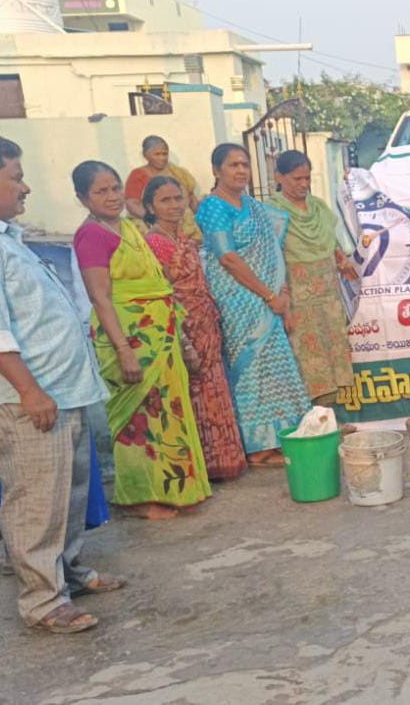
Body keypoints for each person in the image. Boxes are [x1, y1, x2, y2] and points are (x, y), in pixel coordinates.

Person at [0, 139, 123, 633]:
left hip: (63, 390)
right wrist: (29, 391)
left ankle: (68, 573)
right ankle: (43, 600)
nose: (25, 187)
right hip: (33, 397)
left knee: (68, 495)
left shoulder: (11, 240)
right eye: (15, 177)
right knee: (36, 501)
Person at [72, 161, 211, 520]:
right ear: (82, 198)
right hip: (129, 339)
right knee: (138, 420)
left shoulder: (131, 228)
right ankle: (140, 496)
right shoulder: (91, 235)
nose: (112, 197)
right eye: (101, 191)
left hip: (159, 334)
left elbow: (160, 282)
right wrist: (124, 350)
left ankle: (172, 489)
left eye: (115, 188)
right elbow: (100, 297)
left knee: (166, 414)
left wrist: (182, 340)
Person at [196, 144, 312, 466]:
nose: (241, 171)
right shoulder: (213, 207)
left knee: (275, 371)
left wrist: (282, 296)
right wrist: (269, 296)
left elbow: (274, 252)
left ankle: (280, 438)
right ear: (216, 171)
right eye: (233, 165)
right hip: (238, 301)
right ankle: (258, 447)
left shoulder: (254, 207)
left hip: (268, 301)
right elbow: (228, 258)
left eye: (245, 165)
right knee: (251, 372)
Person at [143, 176, 247, 481]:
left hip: (205, 321)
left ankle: (222, 462)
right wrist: (183, 335)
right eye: (165, 200)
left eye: (178, 198)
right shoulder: (154, 243)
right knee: (192, 390)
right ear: (150, 207)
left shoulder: (187, 240)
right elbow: (166, 291)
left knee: (214, 385)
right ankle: (199, 466)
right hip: (182, 326)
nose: (174, 206)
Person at [265, 151, 357, 404]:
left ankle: (329, 417)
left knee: (333, 355)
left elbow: (332, 243)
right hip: (297, 300)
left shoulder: (318, 208)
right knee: (307, 360)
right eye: (297, 179)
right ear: (279, 177)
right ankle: (313, 419)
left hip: (328, 296)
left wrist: (342, 260)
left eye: (307, 178)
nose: (304, 184)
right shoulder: (271, 213)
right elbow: (269, 260)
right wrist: (283, 303)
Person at [124, 135, 201, 242]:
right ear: (145, 155)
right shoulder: (138, 175)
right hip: (149, 221)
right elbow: (131, 203)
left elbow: (191, 198)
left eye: (165, 154)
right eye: (157, 154)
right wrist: (152, 219)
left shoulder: (178, 173)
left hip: (182, 220)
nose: (162, 158)